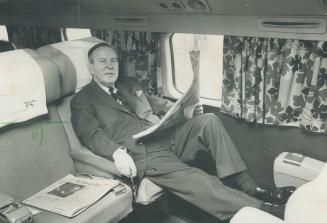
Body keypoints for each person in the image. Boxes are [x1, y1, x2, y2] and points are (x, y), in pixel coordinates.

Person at [71, 42, 294, 220]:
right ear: (91, 68)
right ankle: (265, 210)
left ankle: (250, 186)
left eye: (113, 61)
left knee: (208, 120)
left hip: (162, 136)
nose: (110, 66)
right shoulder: (82, 100)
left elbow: (158, 104)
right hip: (142, 153)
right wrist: (116, 153)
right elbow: (90, 134)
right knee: (200, 178)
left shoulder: (127, 84)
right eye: (102, 61)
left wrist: (185, 110)